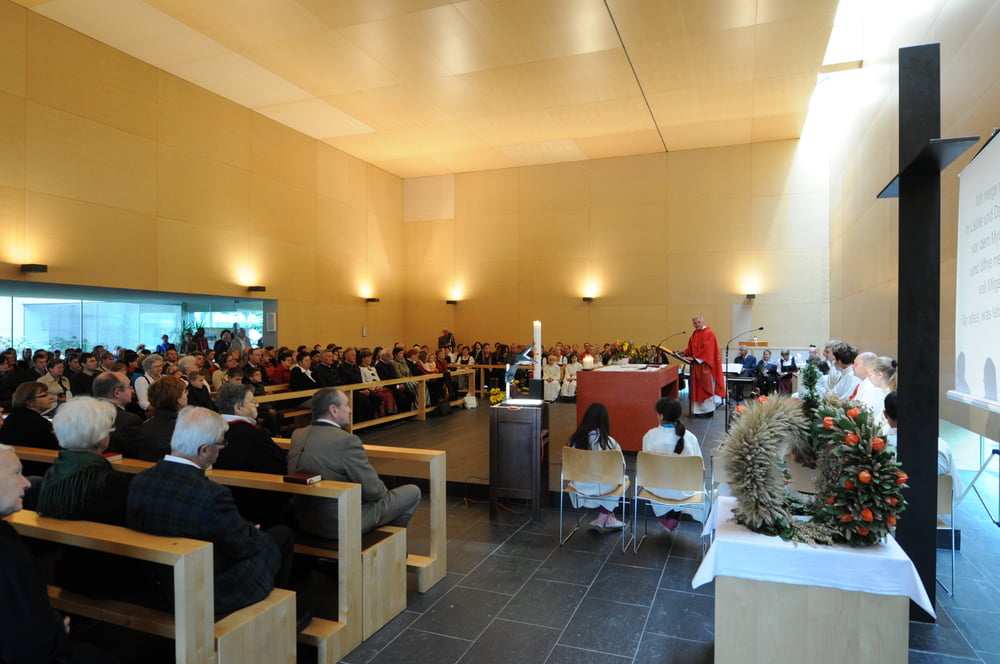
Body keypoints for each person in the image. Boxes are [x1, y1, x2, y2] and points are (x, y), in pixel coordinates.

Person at [126, 406, 295, 616]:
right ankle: (275, 615)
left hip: (159, 583)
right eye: (221, 443)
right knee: (280, 536)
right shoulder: (211, 494)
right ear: (204, 450)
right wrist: (251, 531)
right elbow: (244, 546)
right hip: (206, 587)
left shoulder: (140, 481)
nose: (222, 449)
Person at [0, 444, 122, 664]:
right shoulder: (8, 554)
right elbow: (26, 646)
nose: (26, 483)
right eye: (16, 473)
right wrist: (56, 631)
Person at [287, 388, 421, 536]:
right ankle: (386, 543)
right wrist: (381, 492)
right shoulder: (346, 440)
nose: (350, 410)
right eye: (346, 405)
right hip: (338, 523)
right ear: (334, 410)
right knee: (412, 492)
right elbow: (374, 491)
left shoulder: (298, 434)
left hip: (303, 519)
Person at [214, 382, 290, 527]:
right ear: (238, 407)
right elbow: (279, 467)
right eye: (252, 401)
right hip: (254, 508)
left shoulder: (211, 429)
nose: (257, 405)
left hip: (222, 504)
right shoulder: (253, 436)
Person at [640, 397, 703, 532]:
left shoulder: (649, 436)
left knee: (665, 481)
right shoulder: (690, 438)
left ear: (661, 416)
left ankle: (671, 517)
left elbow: (646, 467)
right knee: (679, 483)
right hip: (684, 490)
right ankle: (673, 517)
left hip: (656, 488)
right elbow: (699, 468)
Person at [565, 402, 626, 530]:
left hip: (580, 486)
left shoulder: (573, 442)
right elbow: (621, 468)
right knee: (622, 479)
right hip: (606, 487)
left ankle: (606, 517)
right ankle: (605, 515)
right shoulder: (610, 443)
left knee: (609, 480)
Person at [679, 315, 725, 417]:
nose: (697, 324)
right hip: (696, 367)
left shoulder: (708, 333)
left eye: (699, 322)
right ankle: (698, 411)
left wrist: (695, 358)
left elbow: (708, 350)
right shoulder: (695, 333)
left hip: (705, 366)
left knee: (705, 389)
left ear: (703, 322)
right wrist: (684, 352)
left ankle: (707, 412)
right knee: (697, 390)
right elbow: (692, 349)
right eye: (695, 323)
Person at [92, 371, 144, 456]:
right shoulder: (129, 420)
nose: (132, 390)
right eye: (129, 387)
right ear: (117, 392)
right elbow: (137, 454)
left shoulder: (84, 414)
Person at [138, 374, 188, 461]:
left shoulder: (144, 426)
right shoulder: (185, 427)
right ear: (179, 399)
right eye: (185, 392)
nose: (187, 394)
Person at [0, 382, 59, 449]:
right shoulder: (40, 424)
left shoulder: (10, 419)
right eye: (44, 395)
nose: (51, 397)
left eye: (49, 394)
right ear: (29, 402)